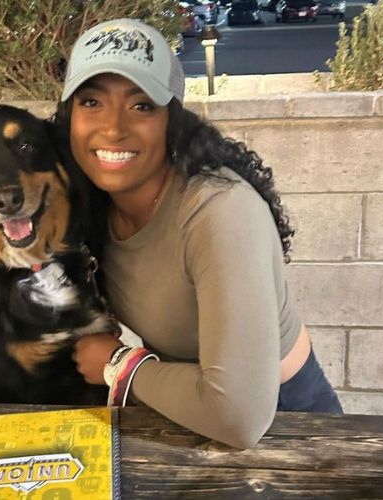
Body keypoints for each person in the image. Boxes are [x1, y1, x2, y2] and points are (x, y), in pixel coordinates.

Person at [54, 18, 342, 449]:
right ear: (67, 116)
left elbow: (240, 417)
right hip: (183, 413)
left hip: (285, 424)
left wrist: (118, 366)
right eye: (91, 102)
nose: (113, 128)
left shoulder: (219, 211)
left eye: (142, 105)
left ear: (173, 119)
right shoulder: (90, 209)